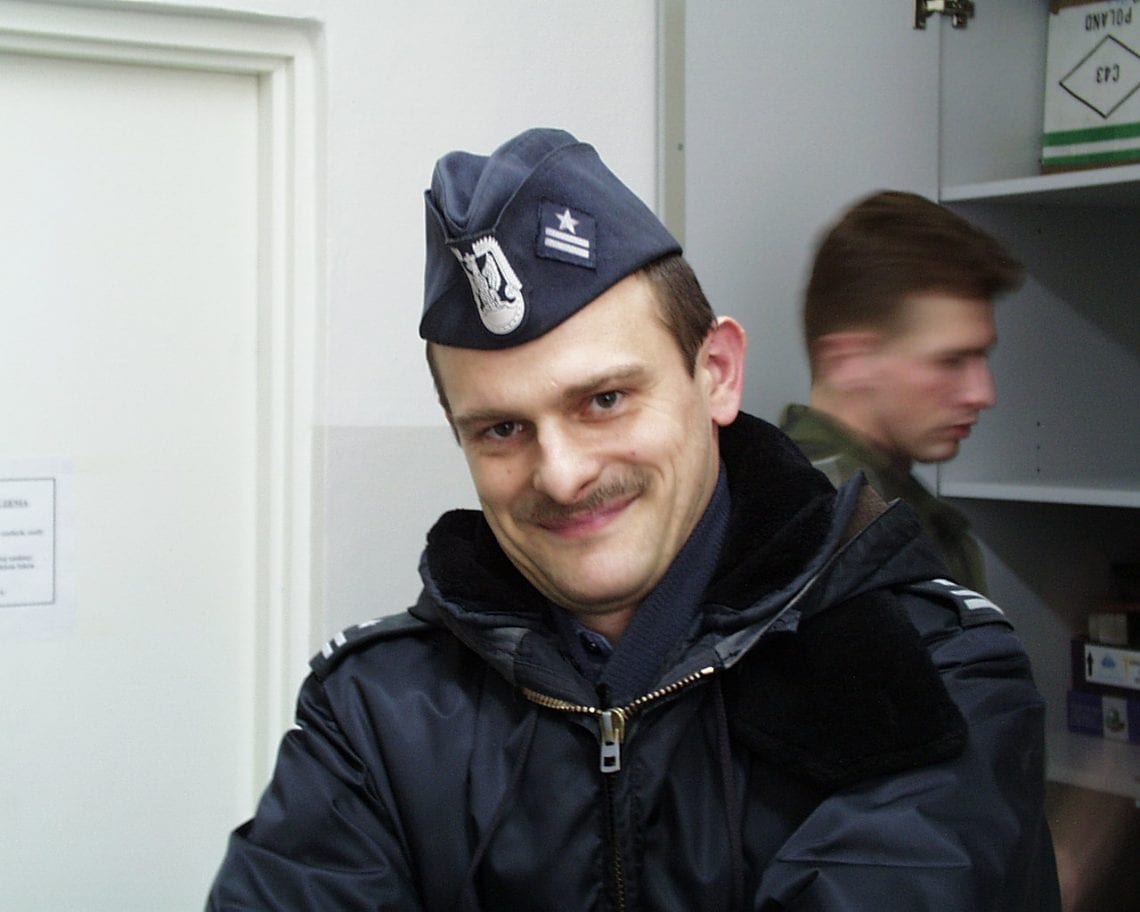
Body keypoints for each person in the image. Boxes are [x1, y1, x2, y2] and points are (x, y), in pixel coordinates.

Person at [207, 129, 1059, 910]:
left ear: (717, 373)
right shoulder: (375, 715)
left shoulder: (931, 667)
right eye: (502, 429)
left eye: (605, 400)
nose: (562, 474)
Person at [780, 190, 1023, 595]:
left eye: (982, 357)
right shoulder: (836, 532)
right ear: (848, 362)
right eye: (950, 361)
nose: (983, 394)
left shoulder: (882, 511)